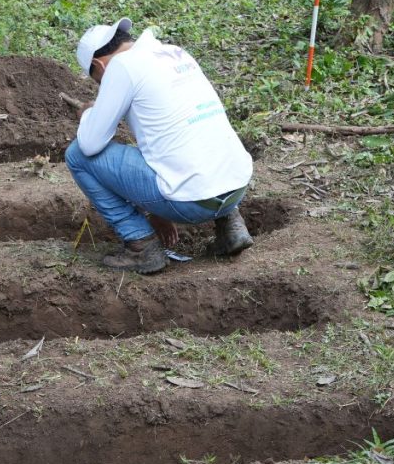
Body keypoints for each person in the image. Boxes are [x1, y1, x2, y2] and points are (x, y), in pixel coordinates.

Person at [64, 17, 254, 274]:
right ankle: (230, 225)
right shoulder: (175, 53)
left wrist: (89, 112)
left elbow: (89, 144)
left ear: (99, 65)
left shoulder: (121, 67)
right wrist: (156, 212)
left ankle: (141, 245)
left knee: (76, 155)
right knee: (196, 132)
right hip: (236, 188)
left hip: (193, 201)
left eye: (98, 81)